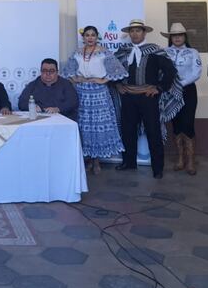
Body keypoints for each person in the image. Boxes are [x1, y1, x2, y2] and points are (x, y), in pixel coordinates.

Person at [114, 19, 182, 179]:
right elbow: (112, 69)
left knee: (153, 131)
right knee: (128, 130)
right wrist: (117, 84)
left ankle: (157, 168)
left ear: (144, 33)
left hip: (147, 97)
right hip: (129, 96)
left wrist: (158, 88)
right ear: (129, 34)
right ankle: (129, 162)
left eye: (138, 30)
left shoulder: (155, 51)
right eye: (132, 31)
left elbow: (170, 72)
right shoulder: (123, 51)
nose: (135, 33)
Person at [61, 27, 127, 174]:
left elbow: (118, 70)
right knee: (84, 126)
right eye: (87, 35)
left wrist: (103, 80)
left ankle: (97, 161)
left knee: (97, 126)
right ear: (83, 37)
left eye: (93, 35)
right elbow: (67, 71)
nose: (90, 38)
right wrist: (75, 79)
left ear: (97, 37)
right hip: (82, 93)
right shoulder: (77, 52)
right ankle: (88, 159)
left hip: (99, 94)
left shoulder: (104, 52)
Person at [162, 22, 202, 175]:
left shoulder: (193, 52)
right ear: (170, 37)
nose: (177, 38)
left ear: (185, 37)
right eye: (174, 35)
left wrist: (179, 84)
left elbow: (196, 72)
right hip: (170, 92)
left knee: (188, 123)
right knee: (176, 123)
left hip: (188, 91)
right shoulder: (165, 52)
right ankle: (180, 158)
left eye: (180, 35)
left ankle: (191, 160)